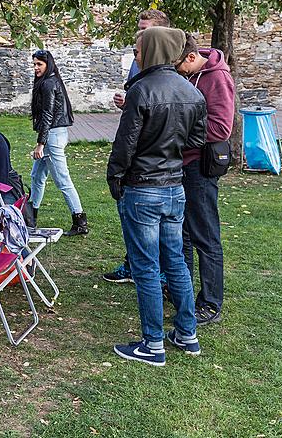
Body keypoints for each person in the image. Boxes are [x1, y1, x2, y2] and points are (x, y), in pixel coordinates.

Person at [107, 26, 207, 365]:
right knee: (175, 260)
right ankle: (187, 333)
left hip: (144, 188)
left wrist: (116, 176)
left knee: (147, 267)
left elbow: (125, 145)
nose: (136, 55)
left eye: (139, 49)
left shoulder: (141, 90)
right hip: (173, 188)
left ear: (154, 50)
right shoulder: (191, 91)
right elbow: (196, 140)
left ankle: (153, 344)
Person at [105, 9, 172, 283]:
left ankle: (157, 276)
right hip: (136, 152)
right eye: (139, 27)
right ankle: (133, 264)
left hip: (156, 160)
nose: (141, 32)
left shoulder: (169, 64)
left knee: (162, 230)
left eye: (146, 29)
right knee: (131, 218)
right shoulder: (138, 59)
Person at [175, 36, 235, 325]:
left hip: (200, 166)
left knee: (205, 236)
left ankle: (211, 302)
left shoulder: (217, 77)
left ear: (189, 57)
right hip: (183, 163)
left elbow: (221, 128)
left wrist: (178, 130)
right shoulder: (190, 74)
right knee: (183, 233)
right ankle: (182, 293)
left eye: (177, 64)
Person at [28, 50, 88, 235]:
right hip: (54, 134)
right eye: (35, 64)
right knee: (37, 177)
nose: (36, 68)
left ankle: (80, 221)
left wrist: (41, 144)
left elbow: (47, 114)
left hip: (52, 136)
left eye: (39, 64)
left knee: (62, 179)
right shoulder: (52, 81)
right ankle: (31, 217)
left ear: (48, 65)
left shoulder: (48, 83)